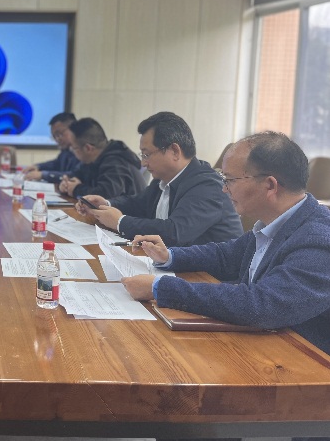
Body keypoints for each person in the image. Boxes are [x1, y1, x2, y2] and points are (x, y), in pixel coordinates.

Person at [122, 131, 330, 356]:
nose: (224, 188)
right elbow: (225, 255)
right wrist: (169, 256)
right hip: (266, 344)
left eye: (230, 180)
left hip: (303, 361)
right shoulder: (277, 222)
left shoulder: (318, 240)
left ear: (270, 185)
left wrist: (160, 287)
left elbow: (262, 305)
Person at [76, 112, 242, 246]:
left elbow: (174, 232)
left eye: (147, 154)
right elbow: (138, 204)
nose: (143, 163)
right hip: (174, 264)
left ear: (174, 151)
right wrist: (106, 204)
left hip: (207, 274)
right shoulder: (163, 179)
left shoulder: (207, 186)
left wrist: (120, 222)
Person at [58, 117, 145, 200]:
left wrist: (76, 189)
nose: (72, 151)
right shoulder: (91, 160)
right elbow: (76, 174)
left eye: (74, 148)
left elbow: (106, 195)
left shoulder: (115, 161)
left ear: (88, 148)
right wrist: (66, 183)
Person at [23, 112, 81, 183]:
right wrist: (38, 167)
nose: (57, 139)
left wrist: (43, 175)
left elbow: (74, 175)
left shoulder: (82, 151)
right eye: (54, 136)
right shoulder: (66, 150)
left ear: (73, 129)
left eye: (59, 134)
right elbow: (56, 164)